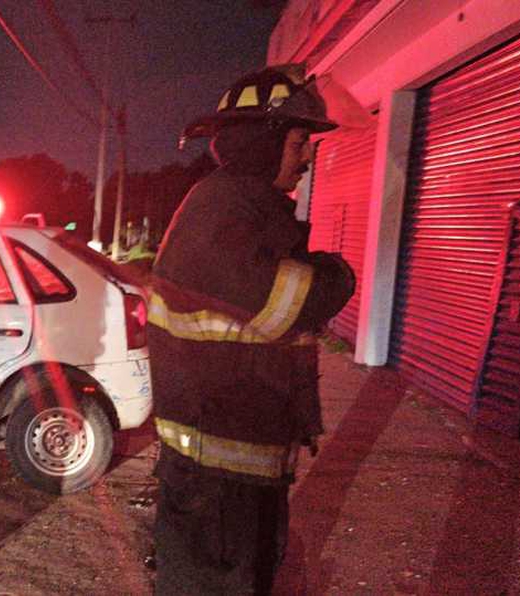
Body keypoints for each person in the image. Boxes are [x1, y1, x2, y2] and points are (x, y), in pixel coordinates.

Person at [148, 63, 356, 595]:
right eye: (299, 143)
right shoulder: (224, 211)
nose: (308, 158)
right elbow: (288, 305)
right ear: (262, 143)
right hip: (217, 478)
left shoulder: (241, 205)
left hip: (234, 464)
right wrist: (337, 274)